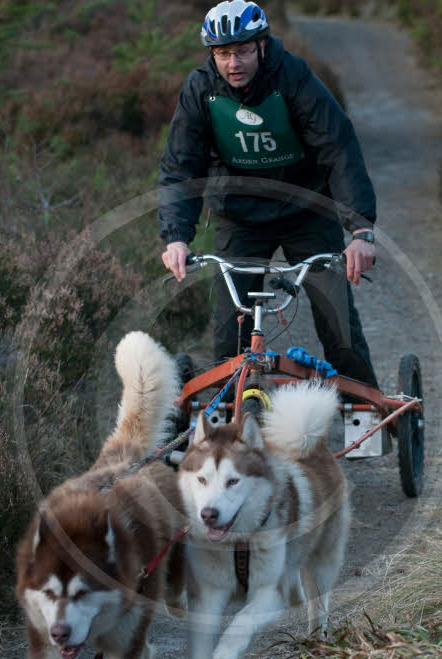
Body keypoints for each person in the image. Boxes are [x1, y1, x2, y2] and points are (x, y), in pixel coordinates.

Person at [159, 0, 379, 388]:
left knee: (338, 327)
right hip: (240, 217)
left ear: (261, 46)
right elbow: (181, 166)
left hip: (307, 212)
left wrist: (360, 231)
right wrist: (177, 237)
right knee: (231, 339)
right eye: (223, 54)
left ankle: (363, 412)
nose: (233, 63)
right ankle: (231, 427)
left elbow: (337, 148)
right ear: (212, 54)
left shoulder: (293, 77)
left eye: (242, 50)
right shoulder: (200, 89)